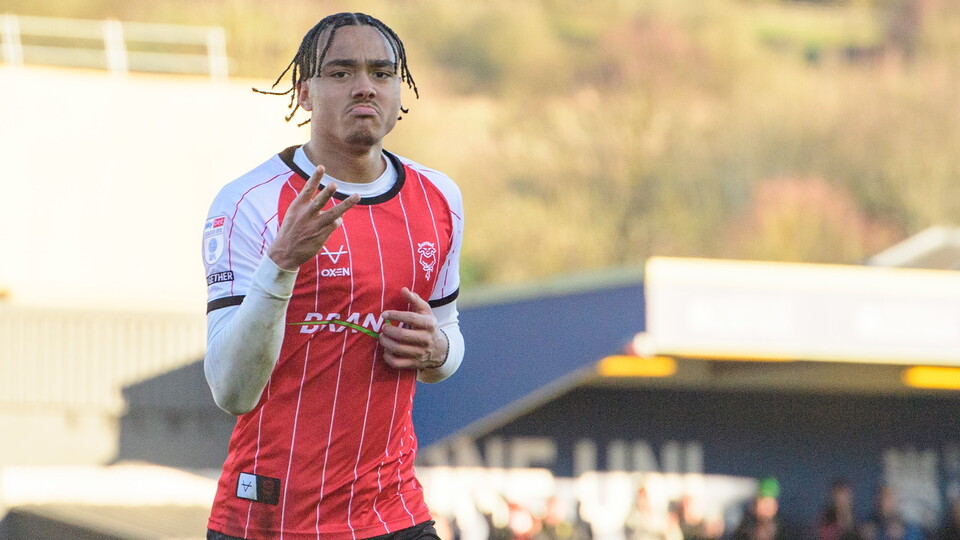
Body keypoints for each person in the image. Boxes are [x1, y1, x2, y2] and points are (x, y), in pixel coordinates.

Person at [201, 12, 465, 540]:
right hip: (269, 517)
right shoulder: (248, 203)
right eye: (341, 72)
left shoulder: (439, 198)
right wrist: (281, 263)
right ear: (304, 93)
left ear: (398, 91)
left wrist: (437, 350)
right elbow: (232, 391)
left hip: (393, 513)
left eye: (382, 73)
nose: (365, 87)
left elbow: (449, 335)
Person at [859, 485, 923, 540]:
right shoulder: (867, 526)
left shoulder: (909, 528)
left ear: (896, 501)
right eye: (880, 497)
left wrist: (901, 536)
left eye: (888, 498)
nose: (883, 502)